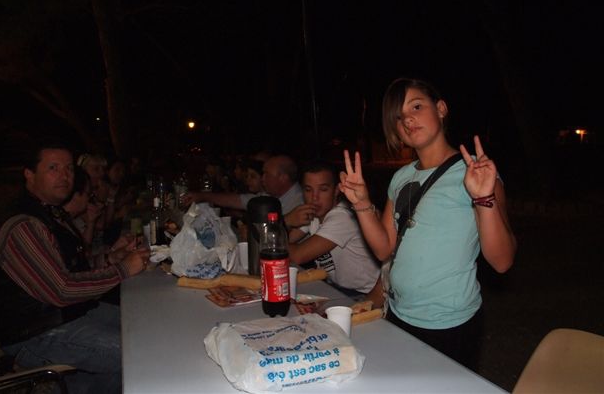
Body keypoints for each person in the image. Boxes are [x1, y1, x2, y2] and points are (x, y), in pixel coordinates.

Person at [339, 77, 517, 370]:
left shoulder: (476, 172)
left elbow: (502, 261)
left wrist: (484, 197)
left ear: (441, 109)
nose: (408, 120)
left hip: (450, 323)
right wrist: (361, 204)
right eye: (399, 117)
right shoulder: (401, 177)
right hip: (398, 313)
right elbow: (384, 248)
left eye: (417, 107)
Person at [0, 139, 151, 394]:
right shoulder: (23, 225)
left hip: (65, 315)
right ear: (29, 174)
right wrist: (123, 270)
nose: (64, 176)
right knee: (138, 354)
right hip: (33, 333)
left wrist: (112, 258)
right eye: (53, 168)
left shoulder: (51, 213)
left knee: (143, 327)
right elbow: (60, 289)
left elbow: (69, 270)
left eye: (69, 169)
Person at [287, 161, 380, 297]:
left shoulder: (343, 216)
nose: (314, 198)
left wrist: (284, 222)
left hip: (364, 293)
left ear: (336, 190)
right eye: (308, 190)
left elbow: (297, 256)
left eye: (323, 189)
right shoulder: (314, 213)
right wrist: (286, 223)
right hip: (336, 288)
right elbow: (285, 241)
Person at [180, 154, 303, 215]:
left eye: (266, 174)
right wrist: (202, 196)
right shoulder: (272, 196)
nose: (263, 179)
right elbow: (238, 200)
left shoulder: (299, 202)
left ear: (283, 178)